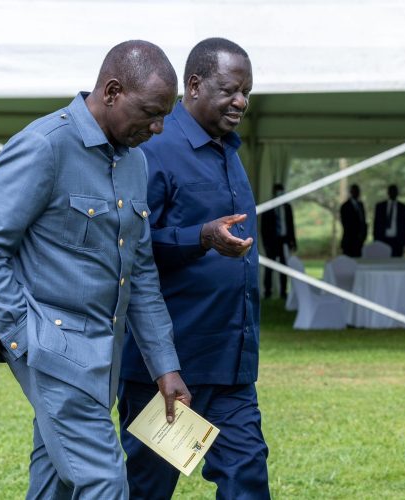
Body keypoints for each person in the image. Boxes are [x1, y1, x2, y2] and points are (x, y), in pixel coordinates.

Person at [0, 40, 191, 499]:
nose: (159, 127)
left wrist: (165, 366)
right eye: (150, 112)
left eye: (166, 114)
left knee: (53, 481)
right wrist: (27, 336)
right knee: (104, 480)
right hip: (53, 347)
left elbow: (140, 272)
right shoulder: (44, 146)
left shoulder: (135, 161)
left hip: (102, 354)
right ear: (111, 91)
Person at [118, 38, 270, 499]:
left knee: (247, 476)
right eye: (230, 89)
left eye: (247, 91)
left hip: (230, 367)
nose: (241, 101)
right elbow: (131, 248)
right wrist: (201, 237)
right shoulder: (155, 148)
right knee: (150, 488)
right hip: (167, 369)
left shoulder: (229, 151)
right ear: (195, 85)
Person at [261, 183, 296, 299]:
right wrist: (266, 244)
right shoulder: (268, 207)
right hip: (272, 242)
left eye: (281, 191)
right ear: (274, 192)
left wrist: (293, 241)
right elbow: (263, 228)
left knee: (284, 266)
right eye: (278, 191)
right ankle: (267, 291)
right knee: (270, 267)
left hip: (284, 240)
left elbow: (291, 225)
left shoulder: (287, 207)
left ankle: (283, 291)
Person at [373, 184, 405, 257]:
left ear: (397, 193)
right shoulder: (380, 207)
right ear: (388, 193)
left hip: (398, 240)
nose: (393, 193)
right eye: (391, 191)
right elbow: (376, 224)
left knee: (397, 262)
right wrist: (376, 240)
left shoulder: (402, 207)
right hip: (383, 239)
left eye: (395, 191)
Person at [339, 184, 367, 257]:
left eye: (358, 191)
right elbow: (345, 224)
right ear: (351, 192)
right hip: (349, 241)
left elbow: (363, 221)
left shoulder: (360, 205)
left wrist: (363, 235)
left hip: (359, 241)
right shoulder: (345, 206)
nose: (357, 193)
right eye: (355, 191)